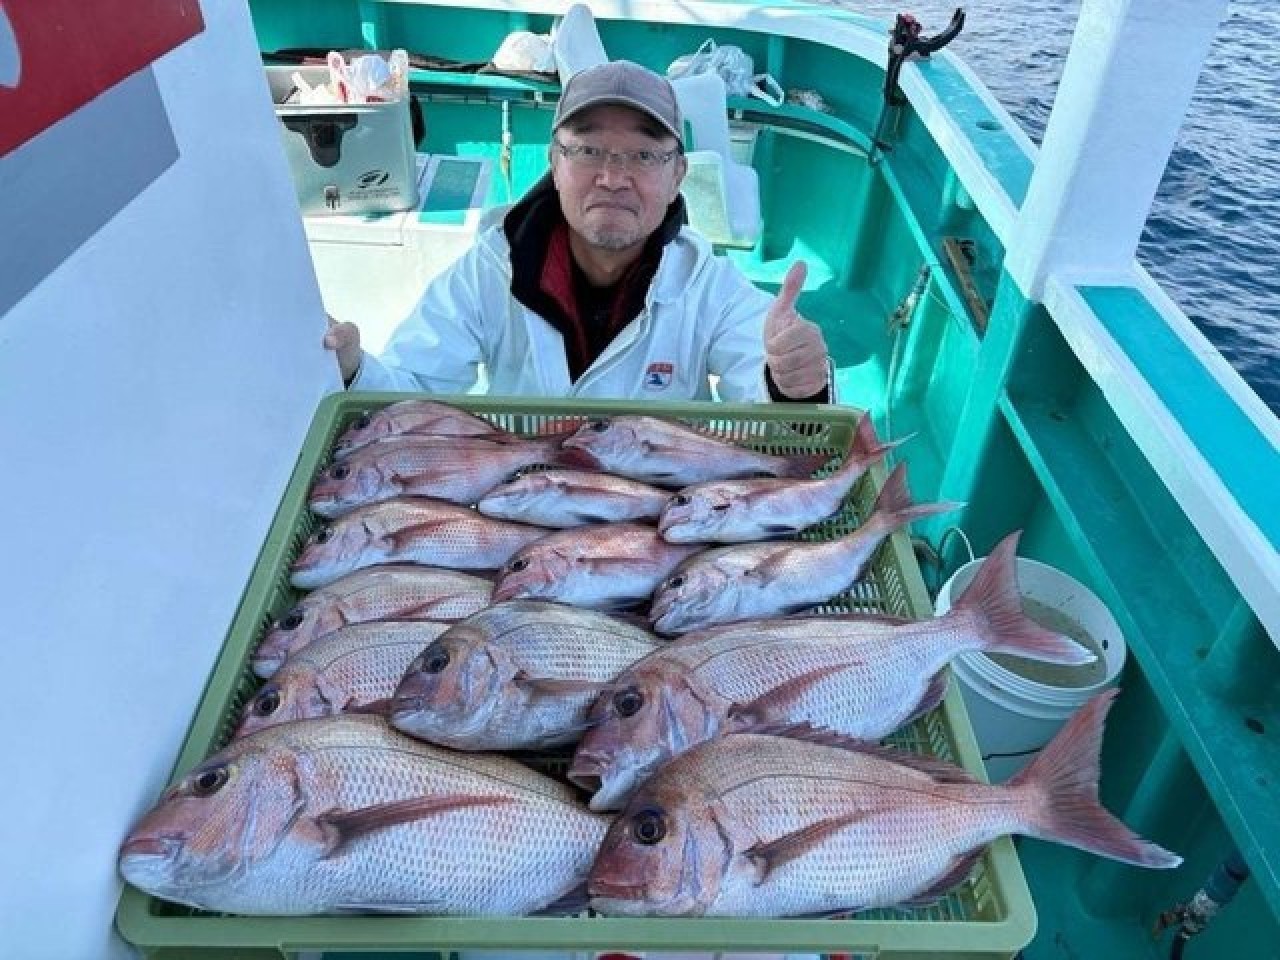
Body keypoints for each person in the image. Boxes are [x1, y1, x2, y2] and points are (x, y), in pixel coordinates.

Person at [325, 59, 831, 403]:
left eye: (643, 155)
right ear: (554, 163)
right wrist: (352, 369)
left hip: (659, 514)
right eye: (588, 151)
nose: (613, 178)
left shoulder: (707, 284)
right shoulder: (490, 269)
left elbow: (771, 405)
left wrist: (793, 380)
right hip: (525, 512)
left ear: (678, 175)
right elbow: (410, 392)